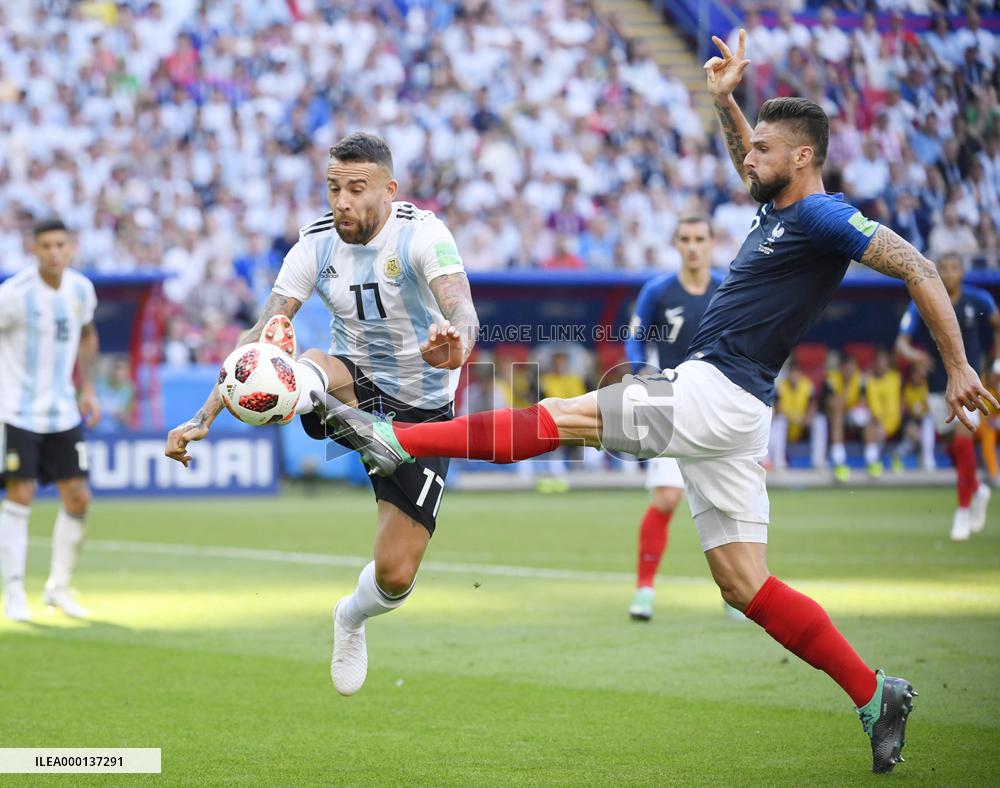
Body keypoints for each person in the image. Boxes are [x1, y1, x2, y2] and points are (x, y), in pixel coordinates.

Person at [313, 33, 999, 774]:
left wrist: (958, 363)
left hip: (718, 390)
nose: (748, 157)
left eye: (763, 148)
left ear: (802, 158)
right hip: (737, 410)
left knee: (570, 415)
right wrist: (727, 103)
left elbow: (919, 265)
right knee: (743, 583)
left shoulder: (824, 218)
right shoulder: (777, 211)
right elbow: (752, 159)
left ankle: (397, 441)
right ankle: (875, 695)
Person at [164, 133, 479, 696]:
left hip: (424, 410)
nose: (342, 201)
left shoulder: (423, 234)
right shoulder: (314, 244)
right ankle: (318, 402)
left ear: (389, 189)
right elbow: (258, 338)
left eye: (356, 189)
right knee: (300, 366)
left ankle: (350, 616)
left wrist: (454, 344)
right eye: (334, 187)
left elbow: (463, 312)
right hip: (349, 378)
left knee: (395, 576)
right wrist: (204, 415)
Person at [0, 218, 100, 621]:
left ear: (70, 247)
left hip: (63, 410)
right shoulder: (14, 295)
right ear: (34, 250)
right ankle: (14, 592)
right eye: (46, 246)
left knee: (78, 498)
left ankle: (58, 588)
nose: (54, 252)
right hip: (19, 411)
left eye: (61, 244)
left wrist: (88, 389)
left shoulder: (80, 289)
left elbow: (88, 334)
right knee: (20, 496)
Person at [623, 216, 721, 621]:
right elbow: (635, 335)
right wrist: (641, 368)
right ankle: (644, 590)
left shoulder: (726, 290)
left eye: (700, 239)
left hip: (717, 406)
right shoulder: (658, 290)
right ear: (676, 243)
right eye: (685, 239)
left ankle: (739, 593)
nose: (693, 246)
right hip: (670, 404)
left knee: (725, 504)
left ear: (712, 242)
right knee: (666, 498)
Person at [896, 252, 999, 540]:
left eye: (955, 268)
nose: (950, 273)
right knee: (953, 448)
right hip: (936, 388)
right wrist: (914, 354)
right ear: (937, 272)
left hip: (968, 386)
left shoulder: (979, 300)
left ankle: (962, 513)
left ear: (963, 271)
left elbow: (996, 323)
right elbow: (901, 344)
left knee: (964, 443)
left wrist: (996, 362)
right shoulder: (923, 301)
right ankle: (977, 489)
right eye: (944, 268)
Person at [863, 349, 902, 477]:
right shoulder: (869, 381)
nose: (881, 364)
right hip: (876, 424)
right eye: (878, 361)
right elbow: (865, 403)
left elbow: (903, 401)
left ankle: (899, 457)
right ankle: (873, 462)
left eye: (884, 361)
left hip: (896, 424)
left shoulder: (896, 378)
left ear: (888, 363)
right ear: (874, 363)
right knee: (869, 425)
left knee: (915, 429)